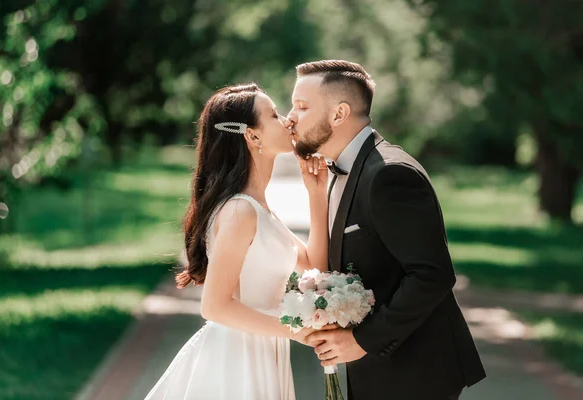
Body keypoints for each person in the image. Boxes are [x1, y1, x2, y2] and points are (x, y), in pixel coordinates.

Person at [287, 60, 487, 400]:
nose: (290, 116)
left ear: (339, 114)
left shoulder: (389, 174)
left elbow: (432, 274)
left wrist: (361, 341)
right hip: (380, 373)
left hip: (415, 374)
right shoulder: (341, 172)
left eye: (302, 106)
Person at [144, 83, 330, 400]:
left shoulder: (260, 209)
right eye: (273, 115)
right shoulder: (240, 211)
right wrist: (296, 331)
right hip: (236, 361)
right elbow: (214, 306)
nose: (287, 120)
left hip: (265, 351)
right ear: (252, 136)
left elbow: (315, 265)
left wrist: (316, 194)